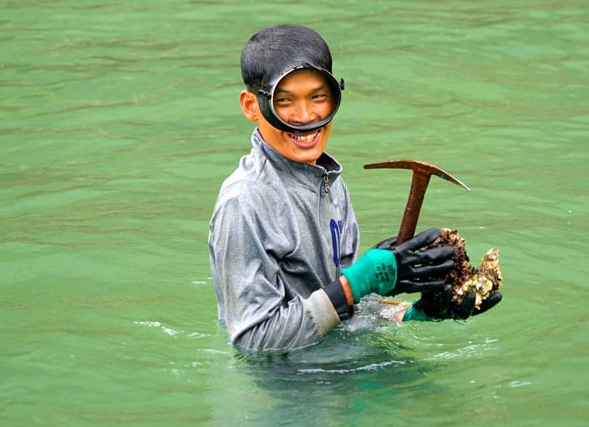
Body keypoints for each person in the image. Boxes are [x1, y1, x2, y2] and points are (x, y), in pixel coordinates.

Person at [208, 24, 501, 351]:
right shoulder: (243, 202)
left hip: (345, 366)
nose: (306, 116)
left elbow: (344, 314)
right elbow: (253, 340)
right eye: (285, 101)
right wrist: (356, 282)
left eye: (318, 97)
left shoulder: (330, 182)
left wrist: (415, 314)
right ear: (251, 105)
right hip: (286, 390)